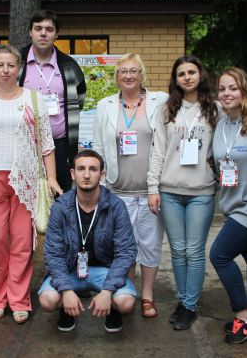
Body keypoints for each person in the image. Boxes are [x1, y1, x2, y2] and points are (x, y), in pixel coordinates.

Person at [0, 44, 62, 324]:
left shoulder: (34, 99)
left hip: (26, 179)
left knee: (22, 243)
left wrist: (51, 178)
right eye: (0, 65)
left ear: (19, 67)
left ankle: (19, 299)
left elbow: (46, 143)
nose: (5, 70)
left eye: (11, 65)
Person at [147, 55, 220, 330]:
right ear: (175, 80)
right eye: (181, 74)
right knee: (177, 250)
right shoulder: (166, 109)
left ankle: (189, 305)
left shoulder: (215, 109)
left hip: (202, 191)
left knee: (194, 250)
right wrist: (153, 187)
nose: (187, 77)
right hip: (170, 191)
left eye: (191, 72)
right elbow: (158, 151)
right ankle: (184, 299)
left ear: (200, 75)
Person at [93, 53, 167, 318]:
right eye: (123, 71)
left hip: (150, 192)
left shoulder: (160, 101)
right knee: (124, 246)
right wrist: (101, 186)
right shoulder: (105, 105)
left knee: (150, 245)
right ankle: (128, 291)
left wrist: (155, 187)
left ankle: (147, 296)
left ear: (141, 74)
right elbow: (98, 147)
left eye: (133, 70)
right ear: (116, 76)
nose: (128, 75)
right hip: (117, 191)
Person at [39, 150, 137, 333]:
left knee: (126, 302)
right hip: (70, 270)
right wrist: (66, 291)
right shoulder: (61, 207)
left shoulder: (116, 206)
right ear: (72, 173)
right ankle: (66, 309)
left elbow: (126, 252)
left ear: (102, 174)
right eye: (81, 169)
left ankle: (112, 310)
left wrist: (107, 292)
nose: (86, 175)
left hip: (106, 271)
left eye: (93, 169)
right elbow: (53, 253)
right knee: (47, 300)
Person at [209, 68, 247, 344]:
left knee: (219, 255)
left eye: (233, 88)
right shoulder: (222, 123)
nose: (226, 93)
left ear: (245, 90)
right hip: (232, 205)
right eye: (222, 89)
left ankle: (243, 315)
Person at [18, 9, 86, 192]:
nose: (43, 33)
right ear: (30, 32)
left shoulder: (69, 65)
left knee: (61, 196)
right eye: (38, 28)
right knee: (27, 195)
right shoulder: (17, 63)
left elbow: (79, 99)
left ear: (56, 34)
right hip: (24, 144)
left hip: (60, 145)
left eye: (49, 29)